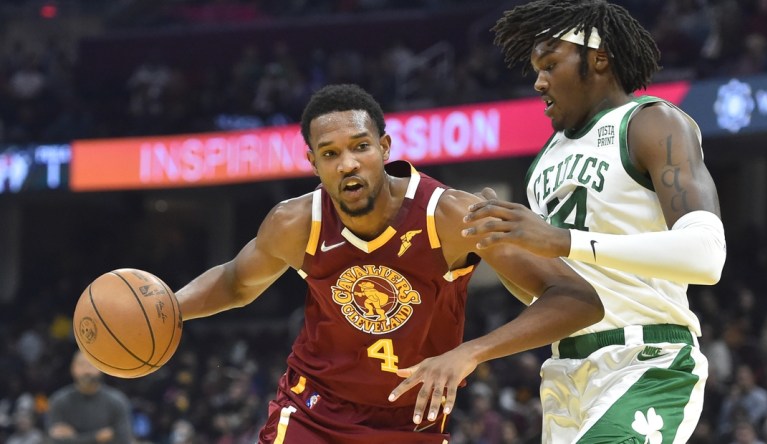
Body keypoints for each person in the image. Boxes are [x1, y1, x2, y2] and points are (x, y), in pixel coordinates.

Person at [174, 83, 603, 443]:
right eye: (330, 154)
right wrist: (167, 312)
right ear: (312, 163)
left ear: (383, 147)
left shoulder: (449, 215)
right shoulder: (294, 222)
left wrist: (470, 353)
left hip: (412, 420)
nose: (348, 164)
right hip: (314, 411)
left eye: (360, 147)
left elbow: (576, 298)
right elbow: (234, 282)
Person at [389, 1, 727, 442]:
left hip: (644, 361)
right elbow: (547, 290)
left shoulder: (650, 122)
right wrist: (498, 245)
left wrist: (562, 240)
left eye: (550, 64)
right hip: (565, 374)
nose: (538, 81)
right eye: (536, 68)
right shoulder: (545, 162)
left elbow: (707, 256)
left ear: (599, 58)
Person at [46, 350, 133, 444]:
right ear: (73, 368)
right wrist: (97, 438)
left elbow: (124, 440)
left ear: (101, 368)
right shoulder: (59, 401)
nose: (86, 371)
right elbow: (54, 441)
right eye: (81, 364)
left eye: (91, 365)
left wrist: (74, 438)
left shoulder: (117, 401)